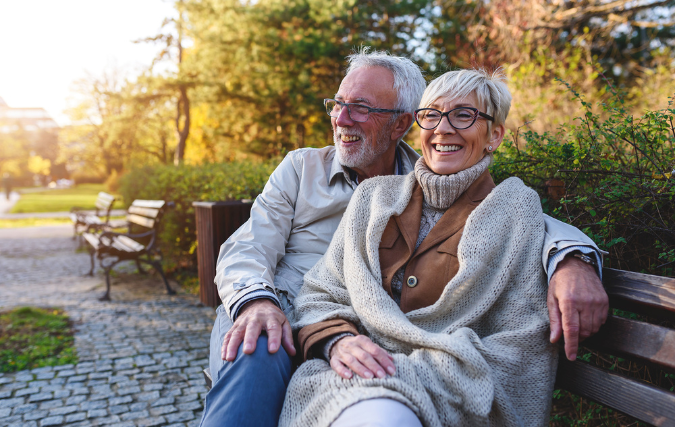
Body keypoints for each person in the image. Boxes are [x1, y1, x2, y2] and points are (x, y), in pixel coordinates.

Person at [199, 49, 607, 427]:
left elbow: (516, 215)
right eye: (338, 104)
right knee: (255, 354)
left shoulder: (426, 179)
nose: (341, 119)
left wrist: (574, 258)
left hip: (364, 343)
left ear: (400, 123)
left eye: (359, 107)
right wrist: (256, 302)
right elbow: (248, 246)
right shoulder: (303, 169)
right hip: (280, 309)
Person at [281, 67, 557, 427]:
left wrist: (576, 260)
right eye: (432, 115)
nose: (443, 128)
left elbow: (522, 338)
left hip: (452, 388)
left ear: (495, 135)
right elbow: (322, 291)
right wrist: (338, 342)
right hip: (349, 378)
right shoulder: (372, 198)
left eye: (464, 115)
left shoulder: (517, 211)